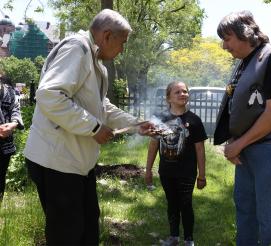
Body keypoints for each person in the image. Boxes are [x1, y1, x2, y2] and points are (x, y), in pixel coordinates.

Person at [24, 9, 154, 245]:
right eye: (122, 43)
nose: (122, 50)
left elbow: (100, 106)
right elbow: (49, 95)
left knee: (87, 229)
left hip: (76, 164)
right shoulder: (77, 48)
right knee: (67, 235)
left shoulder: (94, 62)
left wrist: (135, 124)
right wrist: (94, 128)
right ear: (106, 36)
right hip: (57, 163)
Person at [213, 10, 271, 246]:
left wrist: (238, 144)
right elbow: (241, 108)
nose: (224, 46)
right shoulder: (244, 64)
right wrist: (234, 141)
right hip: (248, 150)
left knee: (268, 216)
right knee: (245, 210)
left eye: (227, 38)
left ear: (244, 33)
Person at [145, 81, 207, 246]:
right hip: (166, 171)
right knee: (172, 203)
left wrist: (202, 175)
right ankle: (173, 237)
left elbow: (200, 150)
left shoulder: (194, 120)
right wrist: (148, 170)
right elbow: (153, 146)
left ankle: (189, 240)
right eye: (177, 92)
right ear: (168, 98)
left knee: (185, 203)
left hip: (187, 172)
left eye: (185, 91)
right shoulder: (159, 119)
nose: (183, 94)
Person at [0, 76, 24, 202]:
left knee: (1, 176)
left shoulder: (8, 91)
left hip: (4, 145)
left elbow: (15, 109)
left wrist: (14, 123)